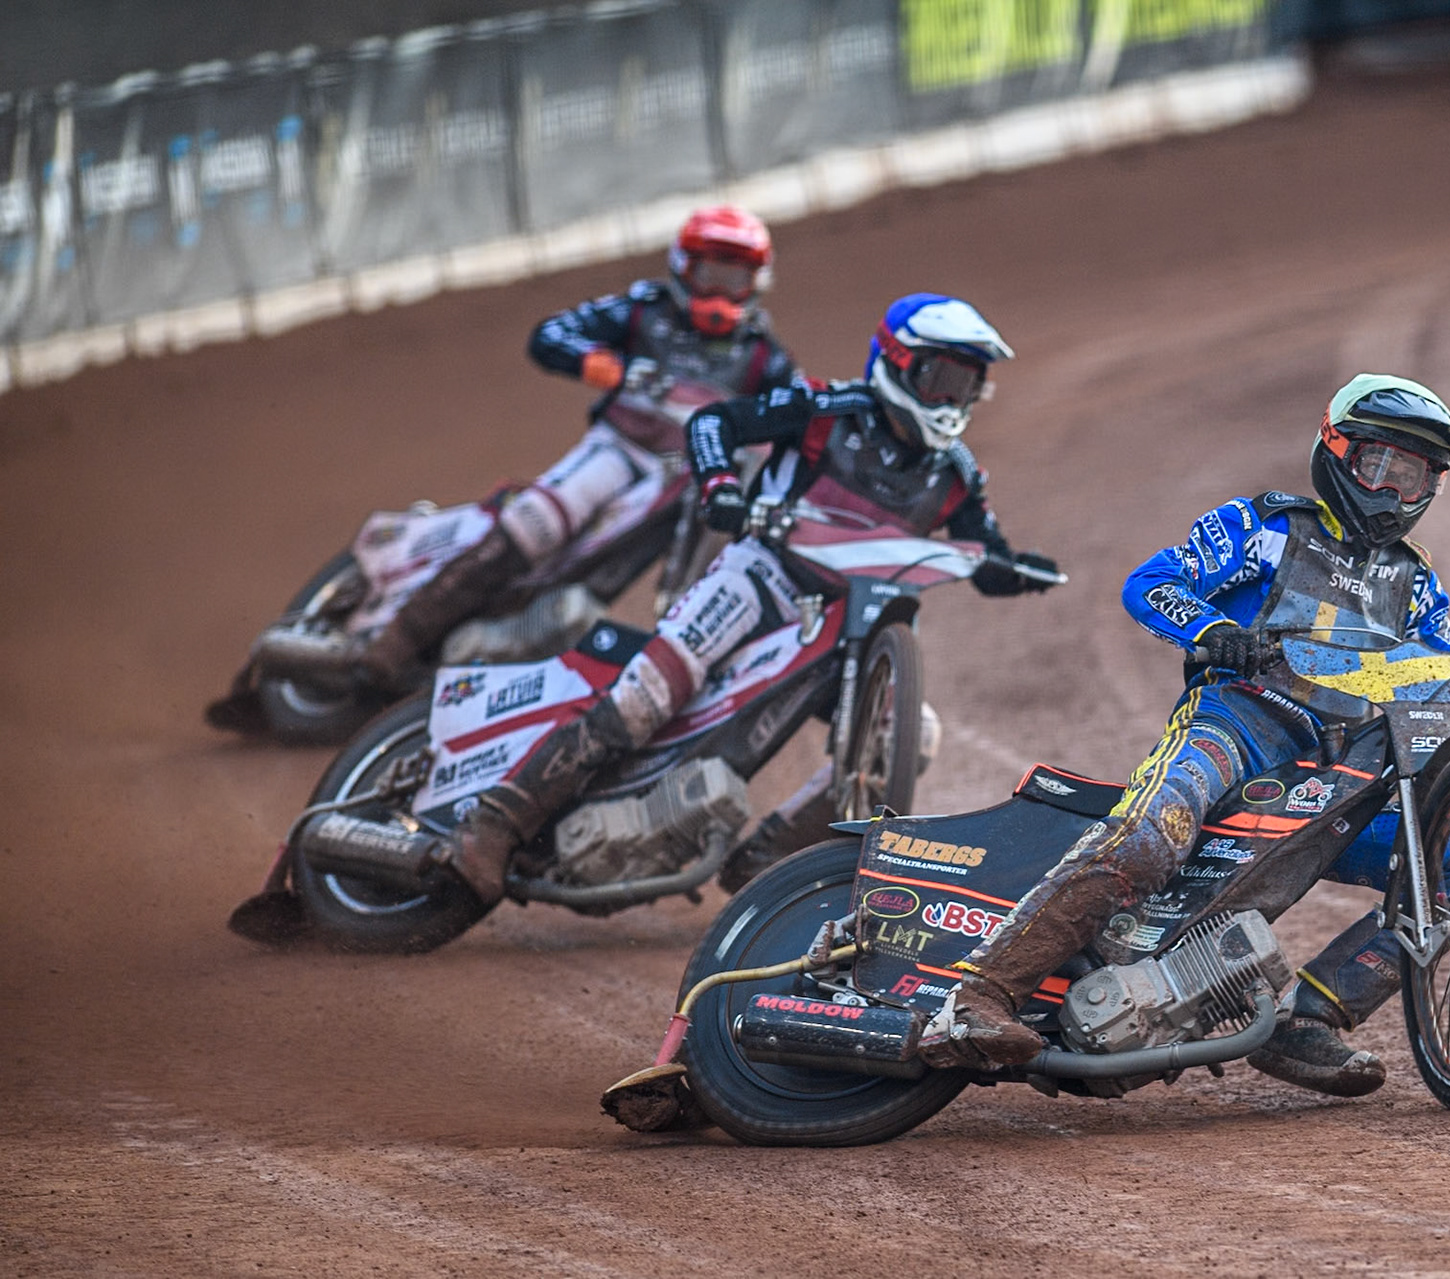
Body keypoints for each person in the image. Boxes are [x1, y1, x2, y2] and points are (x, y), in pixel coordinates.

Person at [920, 374, 1450, 1095]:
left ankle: (1309, 1019)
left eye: (1412, 475)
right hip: (1235, 721)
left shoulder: (1417, 582)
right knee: (1152, 832)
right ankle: (978, 996)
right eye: (1378, 466)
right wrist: (1216, 631)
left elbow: (1436, 677)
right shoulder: (1264, 525)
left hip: (1337, 769)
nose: (1392, 490)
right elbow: (1152, 581)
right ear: (1335, 450)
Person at [421, 293, 1059, 904]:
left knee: (911, 735)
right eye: (942, 378)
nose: (954, 399)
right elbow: (714, 423)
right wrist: (721, 486)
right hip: (760, 577)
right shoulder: (824, 407)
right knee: (647, 697)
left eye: (967, 384)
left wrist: (1016, 569)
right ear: (898, 364)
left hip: (849, 620)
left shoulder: (957, 475)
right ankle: (496, 823)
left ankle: (769, 862)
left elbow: (987, 553)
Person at [349, 205, 801, 691]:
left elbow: (796, 412)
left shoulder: (763, 354)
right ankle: (397, 639)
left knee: (617, 580)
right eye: (711, 274)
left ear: (757, 282)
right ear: (684, 267)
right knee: (542, 524)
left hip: (682, 481)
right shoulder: (644, 311)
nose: (720, 293)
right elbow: (549, 336)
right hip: (619, 449)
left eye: (735, 279)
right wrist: (606, 366)